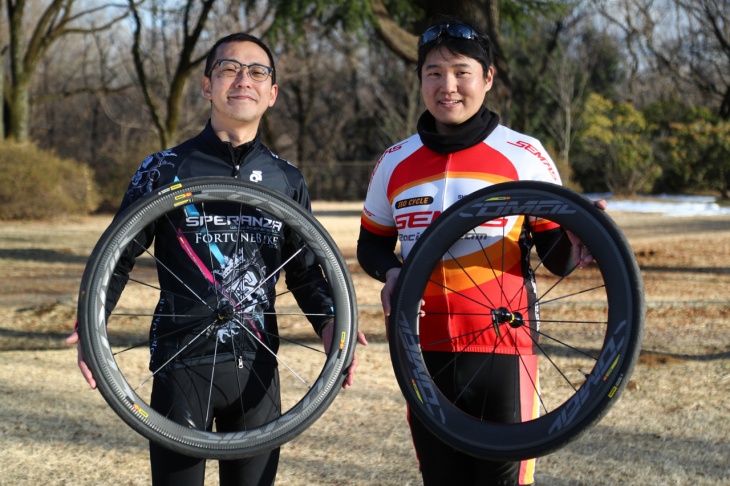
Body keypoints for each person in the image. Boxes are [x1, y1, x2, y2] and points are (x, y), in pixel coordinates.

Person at [66, 32, 367, 486]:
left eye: (257, 71)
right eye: (228, 68)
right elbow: (118, 256)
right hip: (180, 363)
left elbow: (305, 271)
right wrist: (90, 324)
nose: (243, 79)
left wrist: (331, 324)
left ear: (272, 94)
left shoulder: (287, 179)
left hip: (258, 371)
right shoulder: (163, 168)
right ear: (207, 86)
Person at [357, 17, 604, 486]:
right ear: (420, 81)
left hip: (503, 351)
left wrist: (581, 239)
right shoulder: (393, 161)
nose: (447, 86)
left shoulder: (523, 154)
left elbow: (557, 256)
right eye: (433, 73)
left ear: (487, 79)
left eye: (461, 72)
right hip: (420, 352)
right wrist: (390, 272)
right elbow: (372, 243)